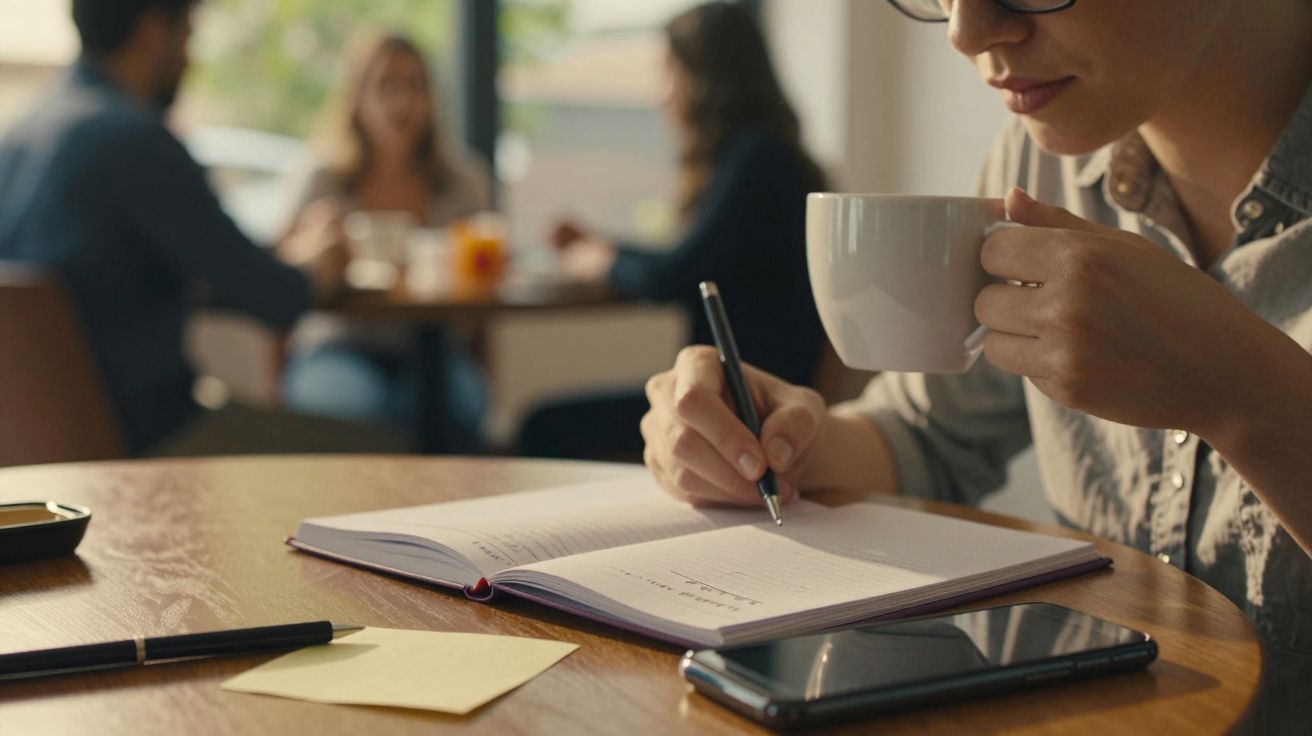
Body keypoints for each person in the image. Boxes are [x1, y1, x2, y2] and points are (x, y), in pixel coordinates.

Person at [639, 0, 1312, 730]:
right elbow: (928, 434)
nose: (965, 33)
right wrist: (778, 441)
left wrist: (1240, 390)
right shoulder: (1040, 158)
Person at [0, 0, 398, 456]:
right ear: (153, 31)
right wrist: (321, 260)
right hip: (151, 440)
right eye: (189, 33)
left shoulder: (20, 135)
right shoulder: (133, 141)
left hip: (38, 450)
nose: (192, 58)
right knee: (386, 449)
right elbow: (275, 295)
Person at [517, 1, 828, 460]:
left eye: (669, 72)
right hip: (746, 391)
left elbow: (680, 275)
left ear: (706, 79)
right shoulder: (761, 156)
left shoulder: (756, 160)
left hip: (752, 402)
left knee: (542, 427)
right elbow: (693, 257)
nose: (661, 95)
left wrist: (602, 259)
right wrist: (603, 247)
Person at [279, 32, 492, 453]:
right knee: (363, 417)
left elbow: (483, 298)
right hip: (339, 346)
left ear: (431, 98)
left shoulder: (463, 183)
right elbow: (278, 277)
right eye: (384, 86)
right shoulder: (322, 178)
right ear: (356, 98)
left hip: (435, 350)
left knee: (458, 413)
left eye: (413, 85)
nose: (400, 102)